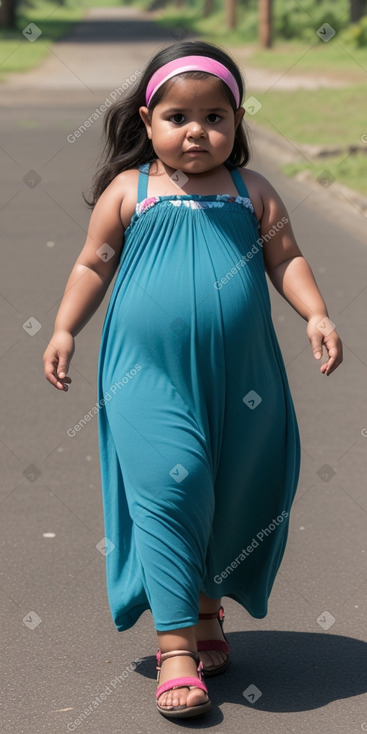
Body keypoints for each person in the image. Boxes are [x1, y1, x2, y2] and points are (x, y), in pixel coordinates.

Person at [43, 40, 343, 719]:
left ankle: (207, 606)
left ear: (237, 122)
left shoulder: (252, 192)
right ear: (147, 122)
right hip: (144, 376)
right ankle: (174, 643)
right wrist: (64, 328)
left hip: (244, 379)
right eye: (177, 117)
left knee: (232, 487)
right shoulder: (130, 191)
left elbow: (286, 257)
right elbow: (93, 265)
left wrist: (316, 313)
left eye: (215, 116)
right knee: (168, 485)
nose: (196, 131)